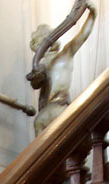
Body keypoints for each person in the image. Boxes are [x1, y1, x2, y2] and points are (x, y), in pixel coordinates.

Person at [29, 3, 96, 135]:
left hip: (61, 105)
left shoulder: (65, 54)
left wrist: (92, 14)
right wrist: (36, 77)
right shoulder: (41, 64)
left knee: (40, 122)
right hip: (48, 108)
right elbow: (36, 84)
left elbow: (83, 36)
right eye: (39, 43)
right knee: (41, 125)